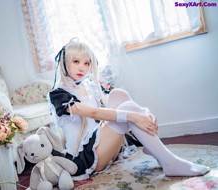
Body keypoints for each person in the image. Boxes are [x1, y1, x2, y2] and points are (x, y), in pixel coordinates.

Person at [48, 38, 210, 181]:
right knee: (128, 111)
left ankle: (156, 151)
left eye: (87, 63)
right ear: (64, 62)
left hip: (100, 145)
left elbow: (113, 102)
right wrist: (133, 116)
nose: (82, 67)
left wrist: (144, 112)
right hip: (88, 157)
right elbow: (94, 113)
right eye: (76, 61)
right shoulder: (59, 95)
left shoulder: (88, 86)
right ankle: (170, 162)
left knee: (119, 94)